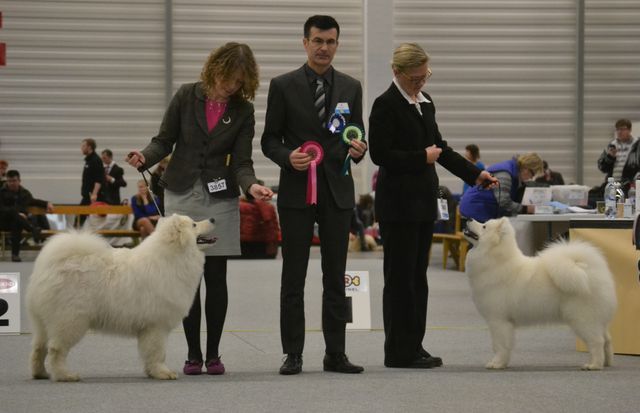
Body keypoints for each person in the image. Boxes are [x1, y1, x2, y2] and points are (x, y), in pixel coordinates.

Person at [126, 42, 272, 376]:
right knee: (185, 278)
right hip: (181, 197)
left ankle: (214, 354)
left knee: (216, 276)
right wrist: (144, 157)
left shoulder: (243, 111)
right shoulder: (186, 95)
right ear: (214, 68)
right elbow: (164, 140)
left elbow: (242, 162)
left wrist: (251, 186)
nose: (231, 86)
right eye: (227, 78)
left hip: (218, 202)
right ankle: (192, 354)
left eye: (239, 82)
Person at [368, 43, 496, 369]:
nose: (421, 83)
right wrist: (420, 158)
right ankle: (397, 350)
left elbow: (441, 148)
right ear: (397, 72)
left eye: (425, 77)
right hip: (397, 205)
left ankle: (415, 344)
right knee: (399, 279)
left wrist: (476, 173)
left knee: (418, 277)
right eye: (415, 79)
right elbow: (380, 155)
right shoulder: (385, 105)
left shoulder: (425, 103)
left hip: (424, 203)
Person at [261, 15, 367, 375]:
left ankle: (335, 353)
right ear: (304, 42)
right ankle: (293, 352)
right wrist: (287, 157)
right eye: (318, 41)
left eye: (331, 41)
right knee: (293, 276)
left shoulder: (352, 87)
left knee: (335, 276)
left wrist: (359, 148)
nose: (324, 48)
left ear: (338, 43)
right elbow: (268, 140)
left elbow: (357, 135)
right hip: (295, 191)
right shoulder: (282, 85)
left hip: (337, 192)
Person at [460, 153, 544, 223]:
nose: (531, 178)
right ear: (526, 168)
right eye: (532, 174)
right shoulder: (505, 174)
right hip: (475, 210)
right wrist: (526, 209)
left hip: (478, 209)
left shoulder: (512, 172)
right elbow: (504, 202)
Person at [0, 170, 54, 261]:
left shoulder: (24, 193)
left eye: (14, 181)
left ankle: (15, 255)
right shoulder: (1, 192)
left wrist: (46, 203)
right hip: (2, 222)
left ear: (19, 181)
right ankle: (33, 229)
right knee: (15, 215)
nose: (11, 183)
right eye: (9, 181)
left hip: (17, 222)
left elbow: (33, 201)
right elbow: (1, 208)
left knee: (17, 222)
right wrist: (17, 214)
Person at [80, 138, 105, 206]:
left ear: (89, 147)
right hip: (86, 196)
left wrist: (94, 194)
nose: (81, 148)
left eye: (83, 146)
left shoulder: (96, 160)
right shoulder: (88, 160)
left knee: (81, 215)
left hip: (92, 197)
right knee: (80, 215)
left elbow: (98, 179)